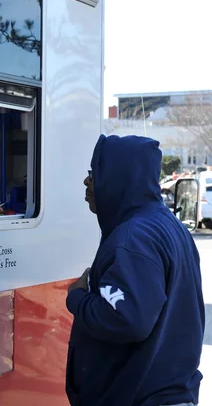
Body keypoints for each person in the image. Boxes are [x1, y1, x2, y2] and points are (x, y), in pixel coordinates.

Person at [65, 134, 205, 406]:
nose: (87, 181)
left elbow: (127, 320)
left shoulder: (133, 238)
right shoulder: (169, 226)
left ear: (120, 176)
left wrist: (78, 298)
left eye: (94, 173)